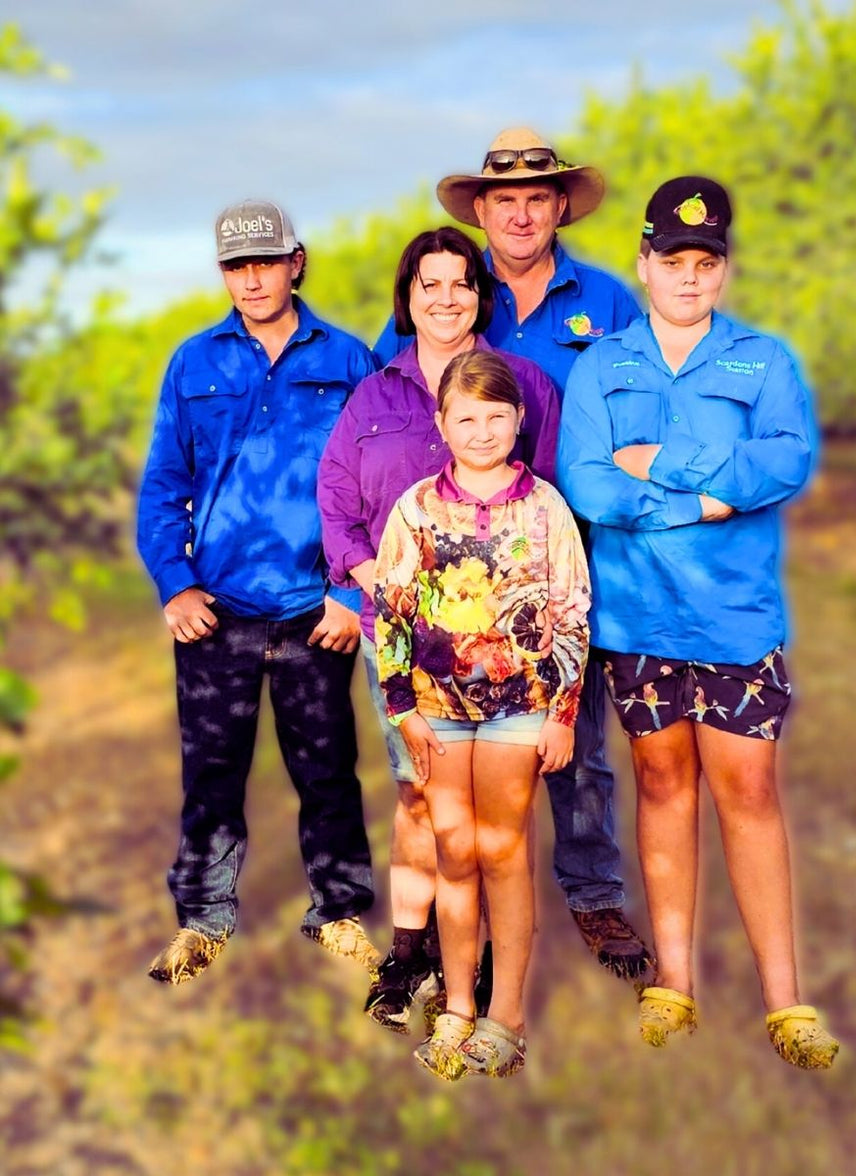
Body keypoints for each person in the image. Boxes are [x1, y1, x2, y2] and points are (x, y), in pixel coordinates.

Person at [557, 176, 840, 1069]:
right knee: (663, 786)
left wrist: (667, 470)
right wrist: (710, 495)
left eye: (705, 262)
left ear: (723, 269)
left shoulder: (765, 361)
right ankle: (672, 983)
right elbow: (589, 480)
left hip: (733, 619)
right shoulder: (602, 365)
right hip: (638, 621)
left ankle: (785, 1001)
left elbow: (785, 459)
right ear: (643, 263)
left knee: (748, 793)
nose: (688, 277)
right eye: (672, 260)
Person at [376, 127, 650, 979]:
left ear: (561, 205)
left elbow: (637, 419)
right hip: (463, 578)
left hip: (572, 560)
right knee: (463, 766)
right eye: (505, 201)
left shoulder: (606, 306)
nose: (522, 213)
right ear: (482, 211)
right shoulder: (453, 296)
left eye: (538, 197)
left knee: (577, 743)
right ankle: (473, 925)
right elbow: (398, 423)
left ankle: (594, 893)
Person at [317, 226, 560, 1029]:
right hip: (406, 644)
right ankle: (412, 954)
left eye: (461, 282)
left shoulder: (521, 381)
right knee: (418, 796)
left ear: (479, 293)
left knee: (496, 822)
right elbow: (337, 492)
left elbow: (552, 504)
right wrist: (367, 578)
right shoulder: (375, 393)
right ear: (409, 295)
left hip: (506, 655)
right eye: (430, 284)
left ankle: (488, 966)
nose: (446, 297)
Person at [137, 199, 379, 985]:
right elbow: (163, 486)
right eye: (237, 266)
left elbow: (372, 490)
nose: (252, 279)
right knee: (211, 770)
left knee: (328, 768)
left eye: (265, 262)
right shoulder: (193, 362)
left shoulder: (347, 360)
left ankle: (338, 911)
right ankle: (204, 920)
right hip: (219, 612)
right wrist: (176, 585)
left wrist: (352, 593)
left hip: (317, 609)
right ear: (224, 273)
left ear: (295, 262)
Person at [373, 350, 591, 1079]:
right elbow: (394, 610)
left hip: (520, 709)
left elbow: (571, 611)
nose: (483, 430)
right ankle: (460, 1004)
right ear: (443, 424)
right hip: (436, 710)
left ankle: (508, 1014)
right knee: (455, 851)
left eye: (497, 416)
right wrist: (401, 705)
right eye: (467, 418)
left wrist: (562, 713)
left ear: (519, 420)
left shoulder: (545, 506)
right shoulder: (415, 508)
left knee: (502, 848)